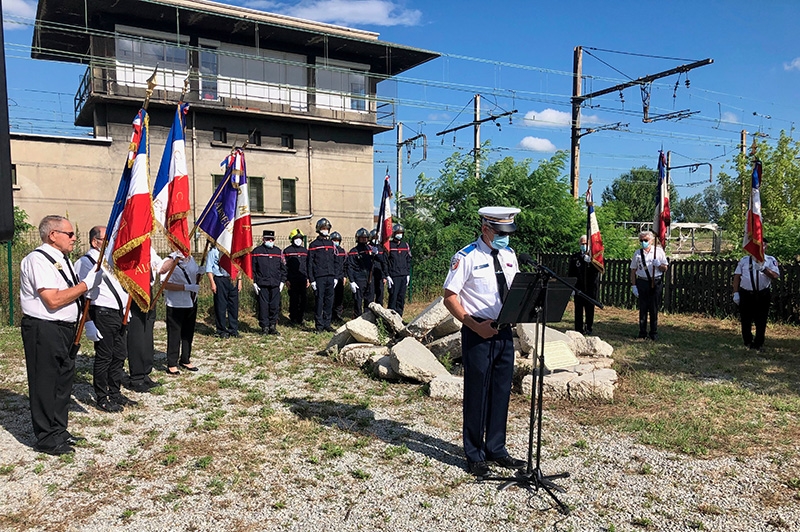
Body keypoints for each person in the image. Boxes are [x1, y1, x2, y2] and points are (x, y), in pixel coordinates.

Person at [442, 206, 526, 478]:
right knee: (478, 392)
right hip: (477, 330)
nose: (505, 237)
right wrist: (473, 324)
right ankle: (475, 453)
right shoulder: (466, 256)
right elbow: (450, 296)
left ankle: (496, 448)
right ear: (485, 230)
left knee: (502, 391)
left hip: (504, 331)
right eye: (500, 233)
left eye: (508, 232)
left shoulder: (510, 255)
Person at [20, 215, 104, 455]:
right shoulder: (38, 259)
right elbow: (53, 299)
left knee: (63, 381)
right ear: (52, 235)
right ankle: (46, 436)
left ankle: (59, 429)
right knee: (45, 382)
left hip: (65, 328)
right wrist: (86, 285)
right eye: (69, 234)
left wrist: (85, 321)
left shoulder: (63, 259)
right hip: (44, 328)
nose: (74, 238)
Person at [74, 225, 136, 413]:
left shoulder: (110, 260)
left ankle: (115, 391)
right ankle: (102, 396)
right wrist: (89, 323)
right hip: (102, 313)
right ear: (95, 242)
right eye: (105, 240)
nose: (110, 244)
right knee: (105, 356)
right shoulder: (85, 262)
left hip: (118, 312)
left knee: (119, 354)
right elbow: (82, 294)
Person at [121, 246, 164, 393]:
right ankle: (136, 377)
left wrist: (177, 255)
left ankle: (145, 372)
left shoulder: (149, 247)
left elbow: (161, 267)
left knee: (147, 333)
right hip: (135, 292)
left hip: (148, 291)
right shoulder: (130, 245)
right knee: (136, 334)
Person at [732, 241, 780, 351]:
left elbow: (775, 275)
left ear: (766, 247)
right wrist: (735, 293)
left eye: (763, 244)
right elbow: (737, 277)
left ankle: (758, 343)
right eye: (757, 244)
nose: (760, 247)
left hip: (762, 294)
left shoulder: (770, 260)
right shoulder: (744, 260)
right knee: (746, 319)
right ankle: (748, 341)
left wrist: (763, 268)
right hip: (746, 294)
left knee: (761, 320)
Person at [160, 252, 200, 375]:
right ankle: (172, 363)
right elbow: (164, 284)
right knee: (174, 333)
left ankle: (185, 359)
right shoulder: (170, 260)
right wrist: (186, 287)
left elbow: (194, 277)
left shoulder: (191, 259)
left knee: (188, 332)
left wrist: (199, 273)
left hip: (191, 300)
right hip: (176, 302)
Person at [630, 230, 668, 341]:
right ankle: (642, 333)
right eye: (641, 240)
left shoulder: (659, 252)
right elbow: (633, 270)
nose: (643, 242)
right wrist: (634, 285)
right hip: (642, 282)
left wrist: (659, 265)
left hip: (656, 282)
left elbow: (665, 268)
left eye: (645, 240)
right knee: (643, 308)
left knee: (654, 308)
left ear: (651, 240)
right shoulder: (637, 253)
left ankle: (653, 332)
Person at [252, 230, 287, 335]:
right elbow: (252, 269)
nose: (270, 241)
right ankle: (264, 327)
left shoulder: (278, 252)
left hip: (275, 284)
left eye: (272, 239)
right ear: (263, 239)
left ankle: (273, 326)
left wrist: (282, 282)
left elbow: (283, 268)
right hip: (262, 284)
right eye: (268, 239)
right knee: (263, 306)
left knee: (274, 306)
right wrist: (254, 282)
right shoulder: (257, 251)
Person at [307, 218, 337, 332]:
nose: (325, 230)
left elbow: (335, 260)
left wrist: (335, 276)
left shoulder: (331, 244)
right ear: (319, 230)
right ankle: (319, 325)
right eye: (323, 228)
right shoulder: (314, 245)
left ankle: (327, 324)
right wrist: (312, 279)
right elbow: (310, 263)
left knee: (329, 301)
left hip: (330, 276)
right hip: (319, 277)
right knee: (319, 301)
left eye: (327, 229)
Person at [205, 245, 242, 338]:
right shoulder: (214, 251)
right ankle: (221, 330)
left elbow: (238, 266)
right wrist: (212, 283)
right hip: (220, 279)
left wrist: (240, 281)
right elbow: (209, 268)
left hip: (232, 279)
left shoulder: (233, 250)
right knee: (221, 306)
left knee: (234, 305)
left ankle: (233, 329)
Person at [567, 234, 600, 335]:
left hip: (590, 287)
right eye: (582, 243)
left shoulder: (594, 257)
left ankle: (589, 327)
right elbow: (571, 273)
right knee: (578, 309)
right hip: (579, 287)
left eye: (586, 243)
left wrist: (591, 261)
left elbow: (598, 270)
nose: (584, 245)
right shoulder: (575, 257)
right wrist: (571, 287)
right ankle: (578, 329)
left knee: (590, 308)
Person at [347, 228, 376, 317]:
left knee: (369, 301)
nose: (364, 239)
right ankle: (357, 318)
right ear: (358, 238)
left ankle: (368, 318)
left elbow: (381, 261)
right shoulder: (354, 251)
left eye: (366, 238)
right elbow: (350, 267)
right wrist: (351, 281)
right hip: (358, 278)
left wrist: (377, 253)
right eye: (362, 238)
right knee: (358, 301)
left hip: (369, 278)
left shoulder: (371, 249)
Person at [385, 223, 412, 316]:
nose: (399, 234)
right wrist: (387, 275)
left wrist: (408, 274)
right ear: (394, 233)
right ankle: (390, 317)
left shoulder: (405, 245)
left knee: (401, 298)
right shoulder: (389, 245)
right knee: (393, 297)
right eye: (398, 232)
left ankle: (399, 316)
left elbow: (408, 260)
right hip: (393, 276)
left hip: (403, 275)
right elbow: (385, 262)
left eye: (401, 233)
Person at [284, 228, 309, 326]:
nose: (298, 240)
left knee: (303, 300)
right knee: (294, 300)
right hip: (292, 280)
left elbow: (307, 265)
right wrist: (286, 279)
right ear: (292, 239)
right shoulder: (287, 251)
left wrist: (308, 278)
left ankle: (300, 318)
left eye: (300, 238)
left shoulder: (305, 251)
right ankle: (293, 318)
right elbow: (284, 267)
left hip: (303, 279)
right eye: (296, 238)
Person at [330, 231, 347, 321]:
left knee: (339, 297)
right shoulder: (329, 251)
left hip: (340, 277)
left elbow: (345, 264)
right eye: (334, 240)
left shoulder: (342, 251)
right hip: (331, 276)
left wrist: (345, 276)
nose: (335, 242)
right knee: (330, 296)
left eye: (337, 240)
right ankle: (330, 314)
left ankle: (338, 314)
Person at [369, 229, 386, 306]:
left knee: (380, 293)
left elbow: (383, 261)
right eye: (374, 237)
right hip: (370, 273)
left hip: (379, 273)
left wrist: (384, 276)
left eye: (376, 237)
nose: (375, 239)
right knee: (370, 294)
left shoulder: (381, 248)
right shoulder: (368, 247)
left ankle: (379, 312)